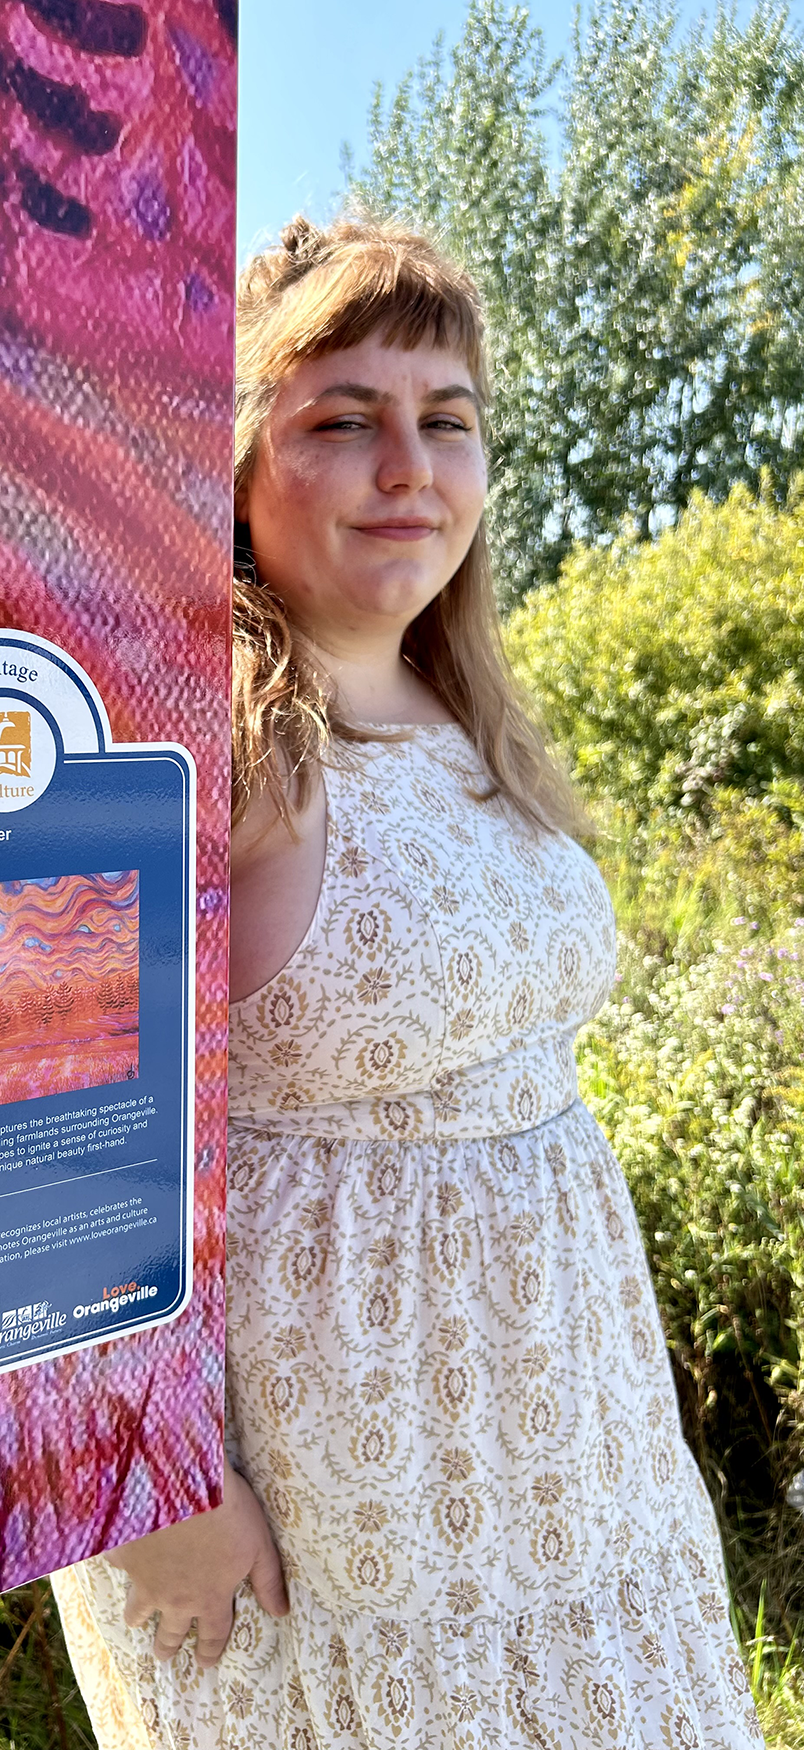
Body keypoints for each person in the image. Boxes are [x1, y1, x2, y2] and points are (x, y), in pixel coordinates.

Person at [50, 216, 764, 1750]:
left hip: (571, 1454)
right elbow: (37, 1123)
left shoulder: (466, 715)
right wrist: (134, 1481)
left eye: (447, 420)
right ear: (228, 467)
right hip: (323, 1498)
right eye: (340, 420)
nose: (409, 464)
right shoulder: (185, 742)